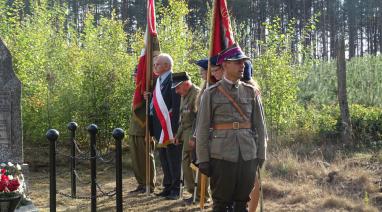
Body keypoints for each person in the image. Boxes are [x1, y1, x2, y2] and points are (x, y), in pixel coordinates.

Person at [196, 43, 268, 211]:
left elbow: (260, 126)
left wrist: (261, 153)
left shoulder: (251, 92)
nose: (242, 65)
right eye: (237, 62)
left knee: (242, 202)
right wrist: (203, 159)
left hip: (248, 154)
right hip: (222, 155)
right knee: (221, 203)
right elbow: (202, 129)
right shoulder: (211, 93)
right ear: (225, 64)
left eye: (243, 62)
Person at [148, 53, 182, 200]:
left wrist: (175, 131)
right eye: (155, 64)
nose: (155, 66)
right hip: (159, 127)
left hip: (170, 128)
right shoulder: (158, 80)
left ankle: (176, 188)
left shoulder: (175, 79)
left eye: (157, 64)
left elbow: (176, 106)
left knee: (174, 158)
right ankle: (167, 186)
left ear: (167, 66)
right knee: (164, 158)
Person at [172, 72, 202, 203]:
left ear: (186, 83)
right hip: (186, 133)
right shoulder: (184, 95)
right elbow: (182, 118)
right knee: (186, 165)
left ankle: (201, 195)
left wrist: (194, 137)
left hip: (194, 134)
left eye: (178, 87)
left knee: (195, 165)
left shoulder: (197, 94)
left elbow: (199, 119)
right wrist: (178, 135)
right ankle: (193, 193)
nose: (177, 91)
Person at [128, 68, 156, 194]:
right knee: (136, 161)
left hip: (144, 130)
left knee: (146, 159)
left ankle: (149, 184)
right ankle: (141, 184)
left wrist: (148, 97)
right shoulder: (138, 92)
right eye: (134, 76)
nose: (135, 78)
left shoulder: (149, 91)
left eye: (137, 75)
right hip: (134, 130)